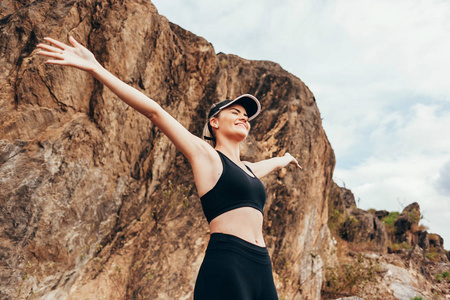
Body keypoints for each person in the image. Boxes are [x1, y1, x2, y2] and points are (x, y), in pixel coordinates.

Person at [37, 36, 302, 300]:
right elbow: (155, 112)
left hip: (261, 264)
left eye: (246, 115)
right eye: (235, 112)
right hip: (230, 260)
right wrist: (96, 68)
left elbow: (268, 165)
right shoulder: (205, 155)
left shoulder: (248, 170)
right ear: (214, 122)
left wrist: (285, 158)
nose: (243, 116)